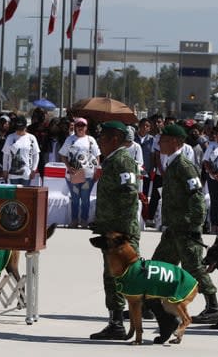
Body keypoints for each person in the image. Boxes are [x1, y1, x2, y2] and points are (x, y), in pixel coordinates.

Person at [151, 124, 218, 324]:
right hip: (174, 227)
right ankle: (150, 304)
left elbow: (197, 197)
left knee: (195, 267)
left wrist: (194, 226)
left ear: (175, 142)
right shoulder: (171, 162)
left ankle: (213, 306)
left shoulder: (183, 165)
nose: (160, 143)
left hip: (185, 228)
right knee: (159, 265)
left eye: (163, 140)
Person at [88, 121, 141, 340]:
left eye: (103, 138)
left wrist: (121, 234)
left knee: (124, 278)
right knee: (112, 277)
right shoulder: (112, 161)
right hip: (111, 230)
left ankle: (122, 323)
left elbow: (129, 197)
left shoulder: (123, 161)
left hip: (120, 234)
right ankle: (116, 322)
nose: (99, 142)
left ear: (116, 139)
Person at [58, 117, 100, 228]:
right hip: (74, 174)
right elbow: (63, 155)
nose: (80, 128)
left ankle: (84, 220)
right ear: (75, 127)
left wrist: (96, 171)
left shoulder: (91, 140)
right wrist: (68, 166)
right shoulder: (70, 139)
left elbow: (97, 156)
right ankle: (74, 220)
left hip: (88, 175)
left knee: (85, 199)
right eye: (78, 126)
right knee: (75, 198)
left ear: (86, 127)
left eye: (83, 126)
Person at [2, 115, 40, 186]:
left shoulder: (31, 138)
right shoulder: (10, 137)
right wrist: (5, 170)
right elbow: (5, 155)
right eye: (18, 129)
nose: (19, 131)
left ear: (25, 127)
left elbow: (36, 155)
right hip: (13, 173)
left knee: (25, 194)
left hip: (27, 173)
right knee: (14, 195)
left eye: (21, 128)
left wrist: (34, 169)